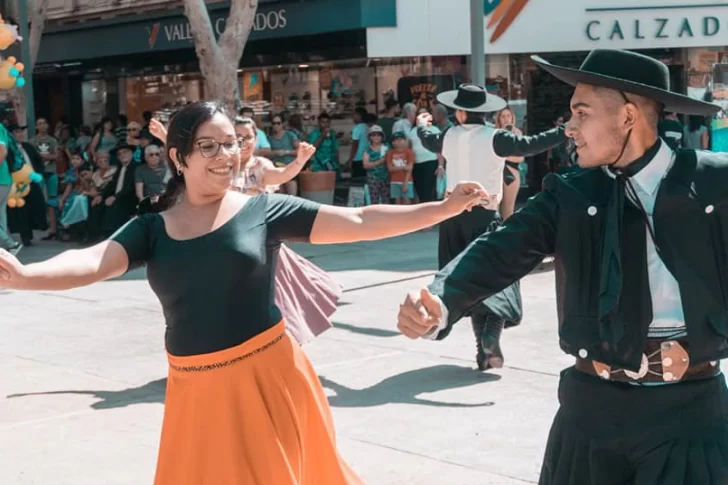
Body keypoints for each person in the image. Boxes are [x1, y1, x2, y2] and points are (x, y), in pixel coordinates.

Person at [0, 102, 488, 484]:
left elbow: (360, 220)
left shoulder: (264, 210)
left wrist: (442, 209)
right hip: (195, 390)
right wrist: (24, 276)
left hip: (270, 378)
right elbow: (91, 261)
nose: (225, 156)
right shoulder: (151, 228)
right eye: (208, 147)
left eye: (230, 144)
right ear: (178, 157)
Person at [397, 49, 727, 485]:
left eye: (581, 112)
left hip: (693, 417)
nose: (569, 127)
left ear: (628, 116)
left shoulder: (714, 184)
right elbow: (499, 249)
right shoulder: (568, 194)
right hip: (589, 416)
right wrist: (440, 299)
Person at [415, 83, 566, 370]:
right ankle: (490, 337)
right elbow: (533, 144)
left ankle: (483, 349)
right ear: (484, 112)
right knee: (500, 278)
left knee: (465, 282)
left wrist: (422, 124)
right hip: (484, 216)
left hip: (452, 219)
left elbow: (428, 138)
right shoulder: (496, 138)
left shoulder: (449, 136)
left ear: (460, 112)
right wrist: (565, 130)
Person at [362, 125, 390, 204]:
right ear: (370, 137)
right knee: (374, 200)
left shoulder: (387, 147)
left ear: (382, 136)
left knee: (386, 200)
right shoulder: (367, 149)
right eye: (373, 135)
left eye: (379, 135)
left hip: (386, 177)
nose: (376, 137)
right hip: (373, 178)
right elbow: (366, 165)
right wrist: (380, 162)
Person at [386, 131, 415, 205]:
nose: (399, 141)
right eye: (396, 139)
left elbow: (410, 168)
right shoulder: (390, 153)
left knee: (407, 200)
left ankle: (408, 216)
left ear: (405, 141)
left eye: (401, 139)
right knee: (397, 201)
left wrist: (405, 183)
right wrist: (404, 167)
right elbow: (390, 169)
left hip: (407, 181)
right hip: (394, 181)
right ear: (393, 142)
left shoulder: (409, 152)